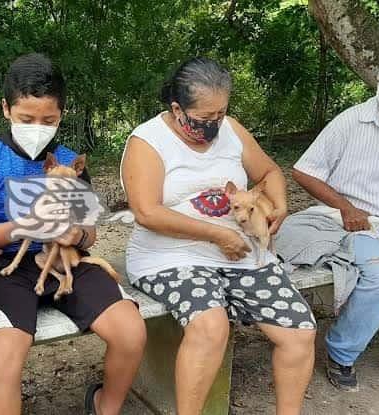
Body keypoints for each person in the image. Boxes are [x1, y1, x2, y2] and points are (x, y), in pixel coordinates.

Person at [0, 53, 146, 415]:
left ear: (61, 115)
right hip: (3, 266)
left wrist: (78, 236)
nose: (37, 127)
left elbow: (89, 232)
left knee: (130, 331)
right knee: (6, 351)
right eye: (27, 118)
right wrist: (22, 227)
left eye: (49, 120)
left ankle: (105, 406)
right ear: (6, 110)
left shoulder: (71, 163)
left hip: (66, 261)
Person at [121, 57, 316, 415]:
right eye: (203, 119)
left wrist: (280, 204)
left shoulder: (232, 130)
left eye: (220, 115)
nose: (213, 125)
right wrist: (215, 234)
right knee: (210, 326)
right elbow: (147, 212)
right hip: (170, 256)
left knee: (299, 331)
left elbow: (270, 171)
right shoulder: (147, 142)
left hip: (242, 251)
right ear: (177, 108)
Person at [288, 45, 379, 393]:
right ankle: (341, 353)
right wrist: (345, 206)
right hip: (351, 222)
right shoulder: (350, 121)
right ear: (378, 79)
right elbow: (303, 171)